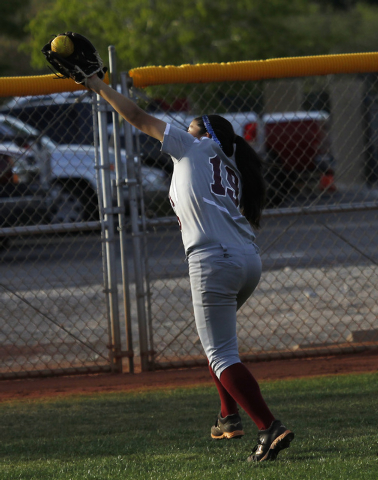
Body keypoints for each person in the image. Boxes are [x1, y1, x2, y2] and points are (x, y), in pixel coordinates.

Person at [87, 74, 294, 462]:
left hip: (213, 259)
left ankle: (269, 428)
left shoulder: (195, 147)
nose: (185, 129)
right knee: (219, 346)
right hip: (247, 260)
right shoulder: (228, 162)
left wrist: (98, 85)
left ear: (205, 134)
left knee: (221, 353)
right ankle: (228, 417)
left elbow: (134, 115)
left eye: (193, 126)